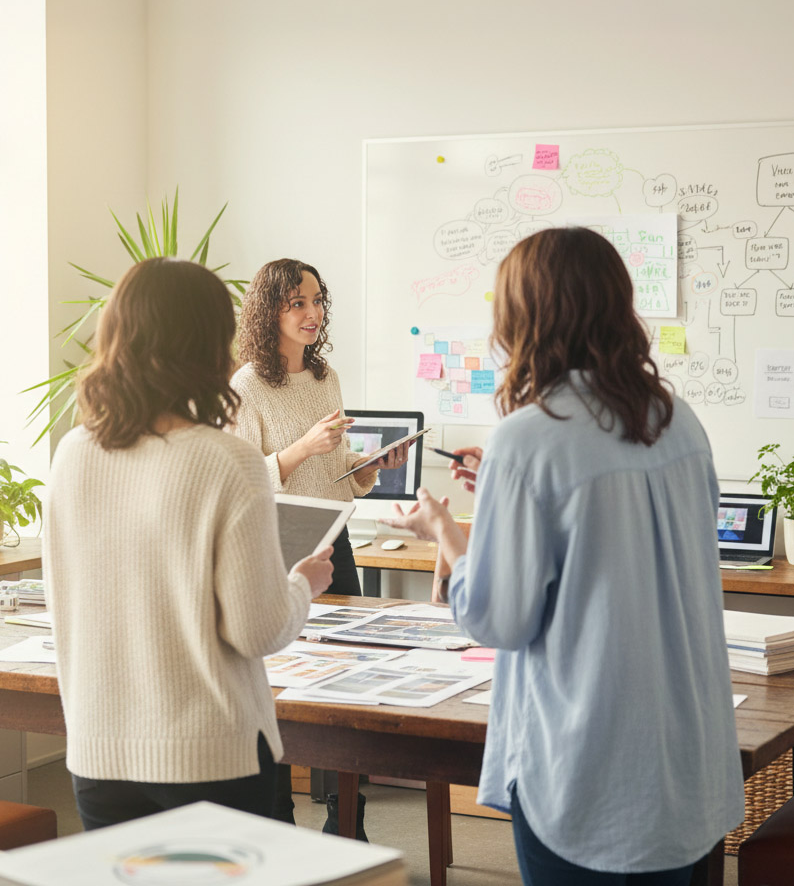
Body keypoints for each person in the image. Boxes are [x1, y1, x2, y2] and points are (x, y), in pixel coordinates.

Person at [383, 227, 745, 886]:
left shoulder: (531, 439)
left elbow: (499, 619)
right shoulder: (675, 419)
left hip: (589, 774)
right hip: (685, 766)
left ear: (527, 318)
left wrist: (446, 534)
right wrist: (504, 488)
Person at [44, 258, 333, 831]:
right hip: (210, 755)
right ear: (207, 345)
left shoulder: (72, 454)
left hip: (100, 754)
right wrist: (303, 583)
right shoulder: (228, 462)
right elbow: (257, 629)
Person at [230, 257, 412, 836]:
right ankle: (276, 822)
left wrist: (369, 467)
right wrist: (303, 448)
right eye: (299, 304)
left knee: (346, 680)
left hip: (335, 539)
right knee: (278, 689)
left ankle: (346, 820)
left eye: (318, 301)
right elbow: (239, 478)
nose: (314, 314)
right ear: (271, 312)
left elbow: (336, 471)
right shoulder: (247, 385)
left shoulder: (325, 375)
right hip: (274, 545)